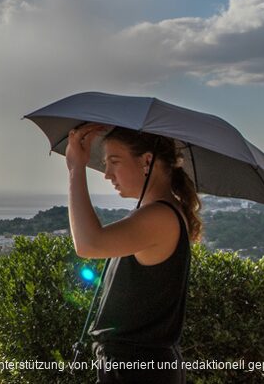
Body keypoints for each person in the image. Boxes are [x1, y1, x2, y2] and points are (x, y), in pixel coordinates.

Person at [66, 124, 203, 383]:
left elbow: (88, 244)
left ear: (147, 161)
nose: (107, 174)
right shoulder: (157, 212)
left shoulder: (160, 217)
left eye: (114, 162)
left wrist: (76, 168)